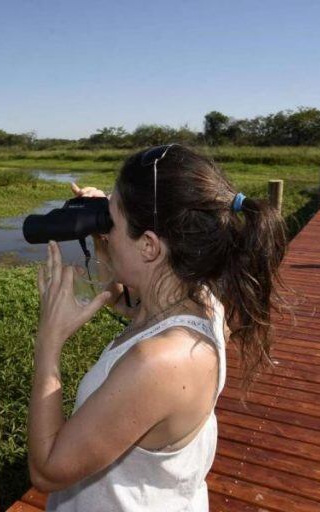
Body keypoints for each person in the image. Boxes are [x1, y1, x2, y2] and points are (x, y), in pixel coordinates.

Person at [28, 144, 287, 511]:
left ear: (149, 245)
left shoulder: (161, 361)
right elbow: (132, 301)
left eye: (111, 224)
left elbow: (48, 470)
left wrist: (48, 344)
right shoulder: (204, 301)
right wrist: (117, 219)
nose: (106, 230)